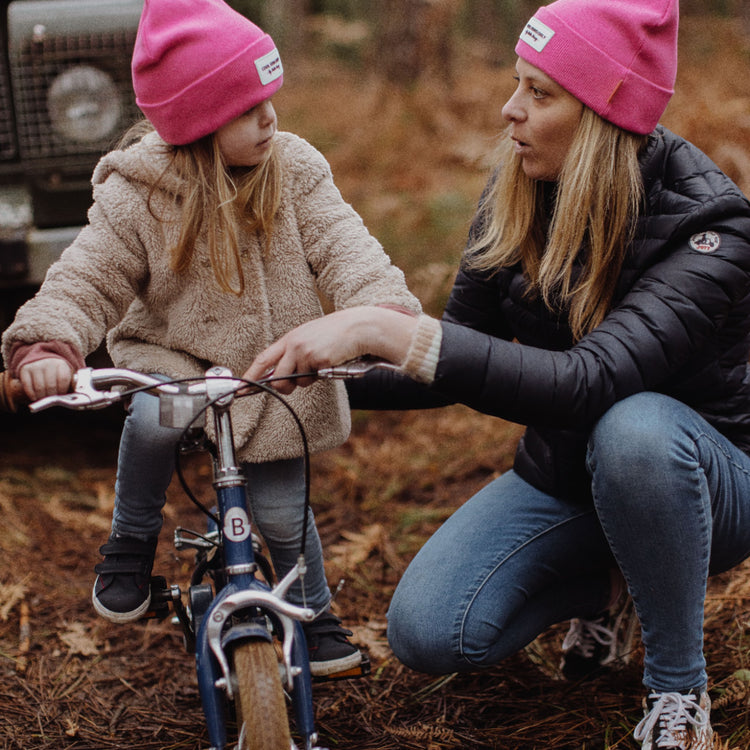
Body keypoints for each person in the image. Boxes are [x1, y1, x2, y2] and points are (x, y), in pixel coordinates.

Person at [245, 0, 750, 745]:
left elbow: (590, 380)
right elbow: (455, 359)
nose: (510, 111)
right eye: (518, 84)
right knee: (430, 630)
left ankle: (679, 692)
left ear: (604, 116)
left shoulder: (710, 229)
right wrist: (309, 375)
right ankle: (619, 582)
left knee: (635, 427)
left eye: (540, 93)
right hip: (569, 479)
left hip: (711, 481)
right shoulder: (519, 192)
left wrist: (389, 328)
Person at [0, 0, 421, 678]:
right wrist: (48, 345)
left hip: (271, 367)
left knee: (284, 517)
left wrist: (379, 311)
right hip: (176, 361)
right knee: (154, 416)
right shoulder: (138, 193)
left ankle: (313, 613)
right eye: (247, 108)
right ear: (196, 121)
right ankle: (131, 540)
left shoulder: (294, 169)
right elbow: (87, 277)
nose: (271, 119)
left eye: (271, 100)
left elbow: (347, 248)